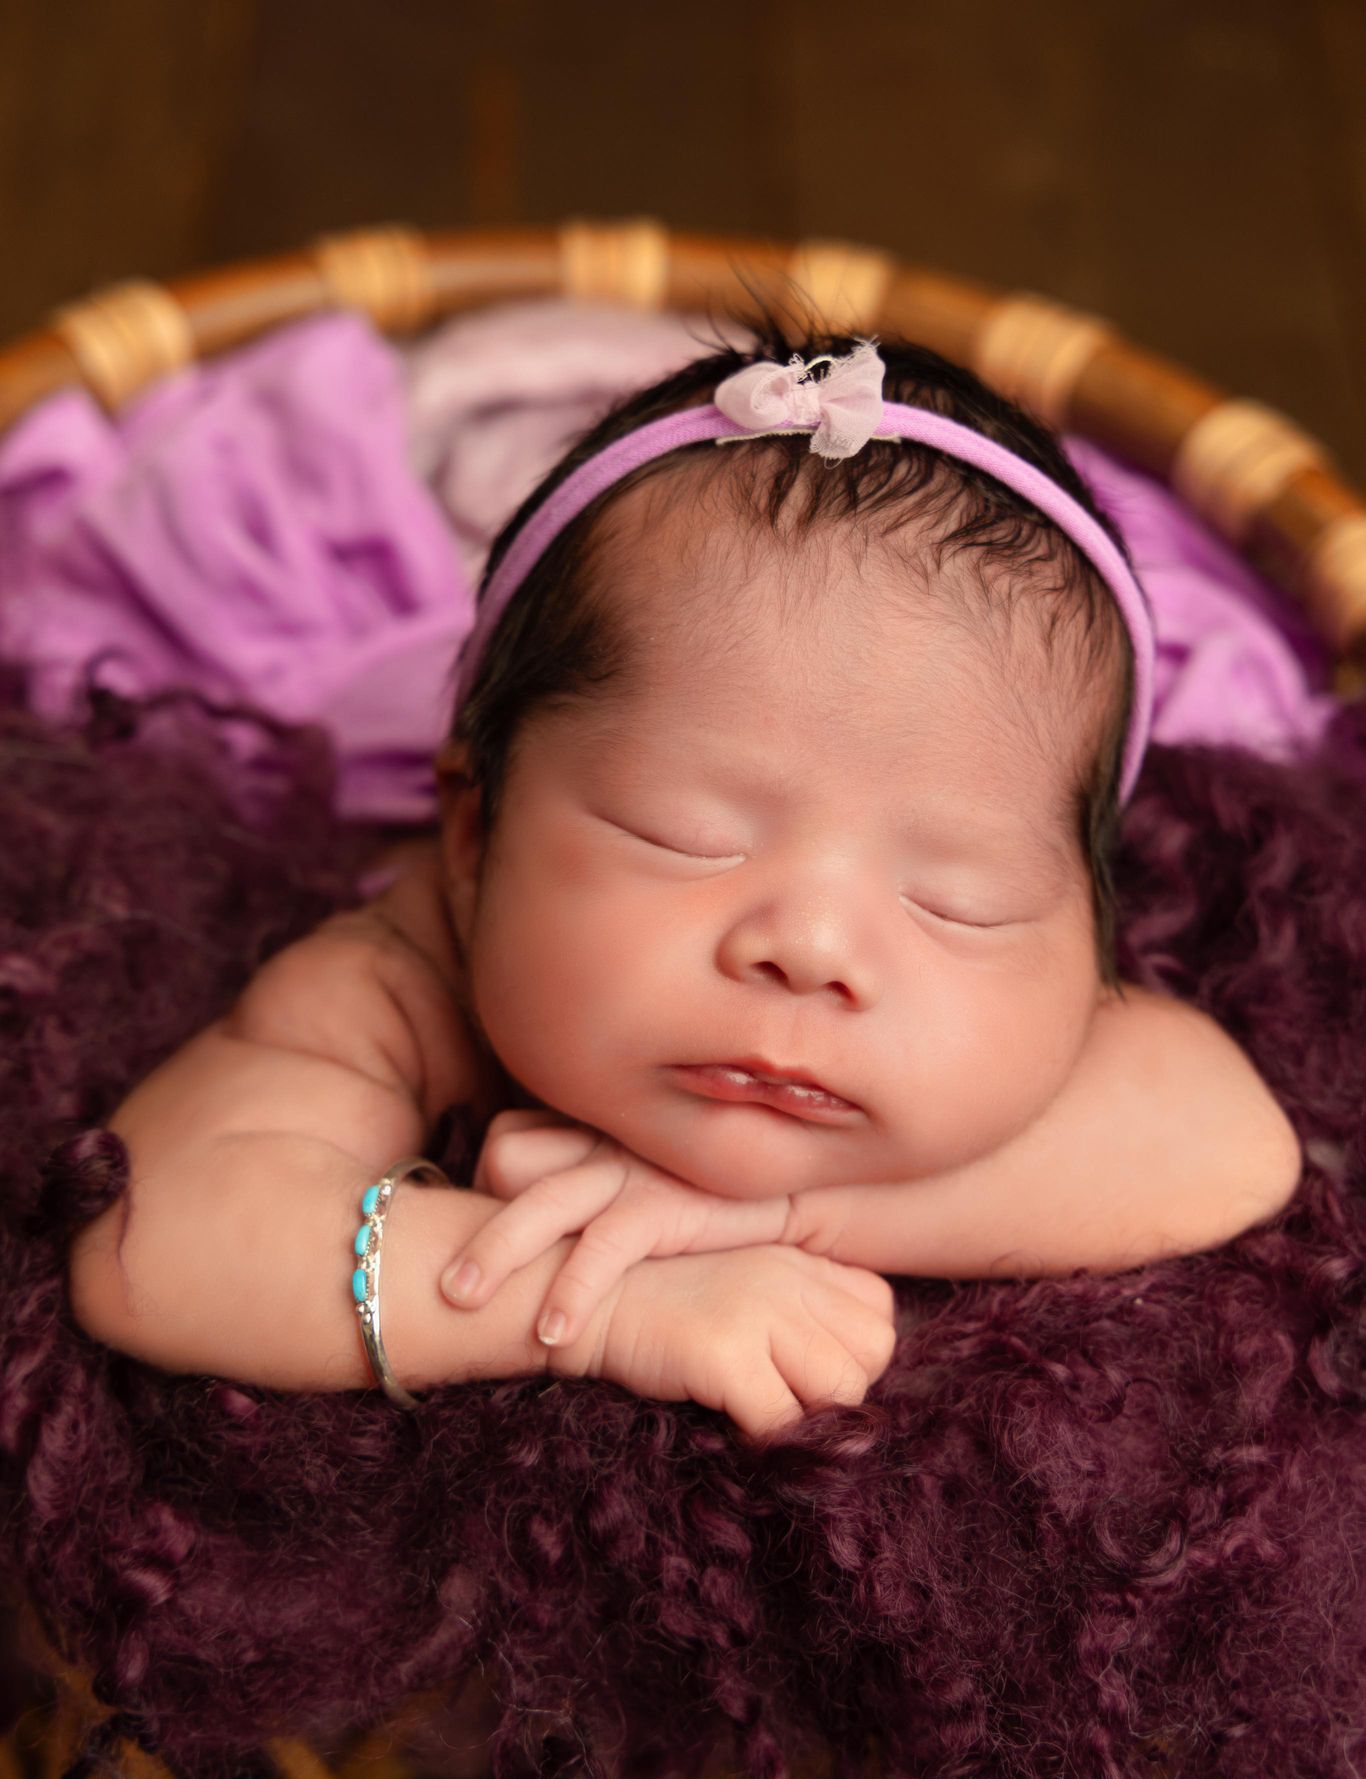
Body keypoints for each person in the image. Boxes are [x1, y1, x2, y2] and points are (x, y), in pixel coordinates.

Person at [66, 329, 1302, 1440]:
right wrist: (591, 1299)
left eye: (957, 899)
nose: (810, 943)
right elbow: (158, 1236)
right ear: (470, 835)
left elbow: (1226, 1138)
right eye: (682, 834)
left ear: (1088, 929)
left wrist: (768, 1215)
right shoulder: (400, 970)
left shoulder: (1038, 1019)